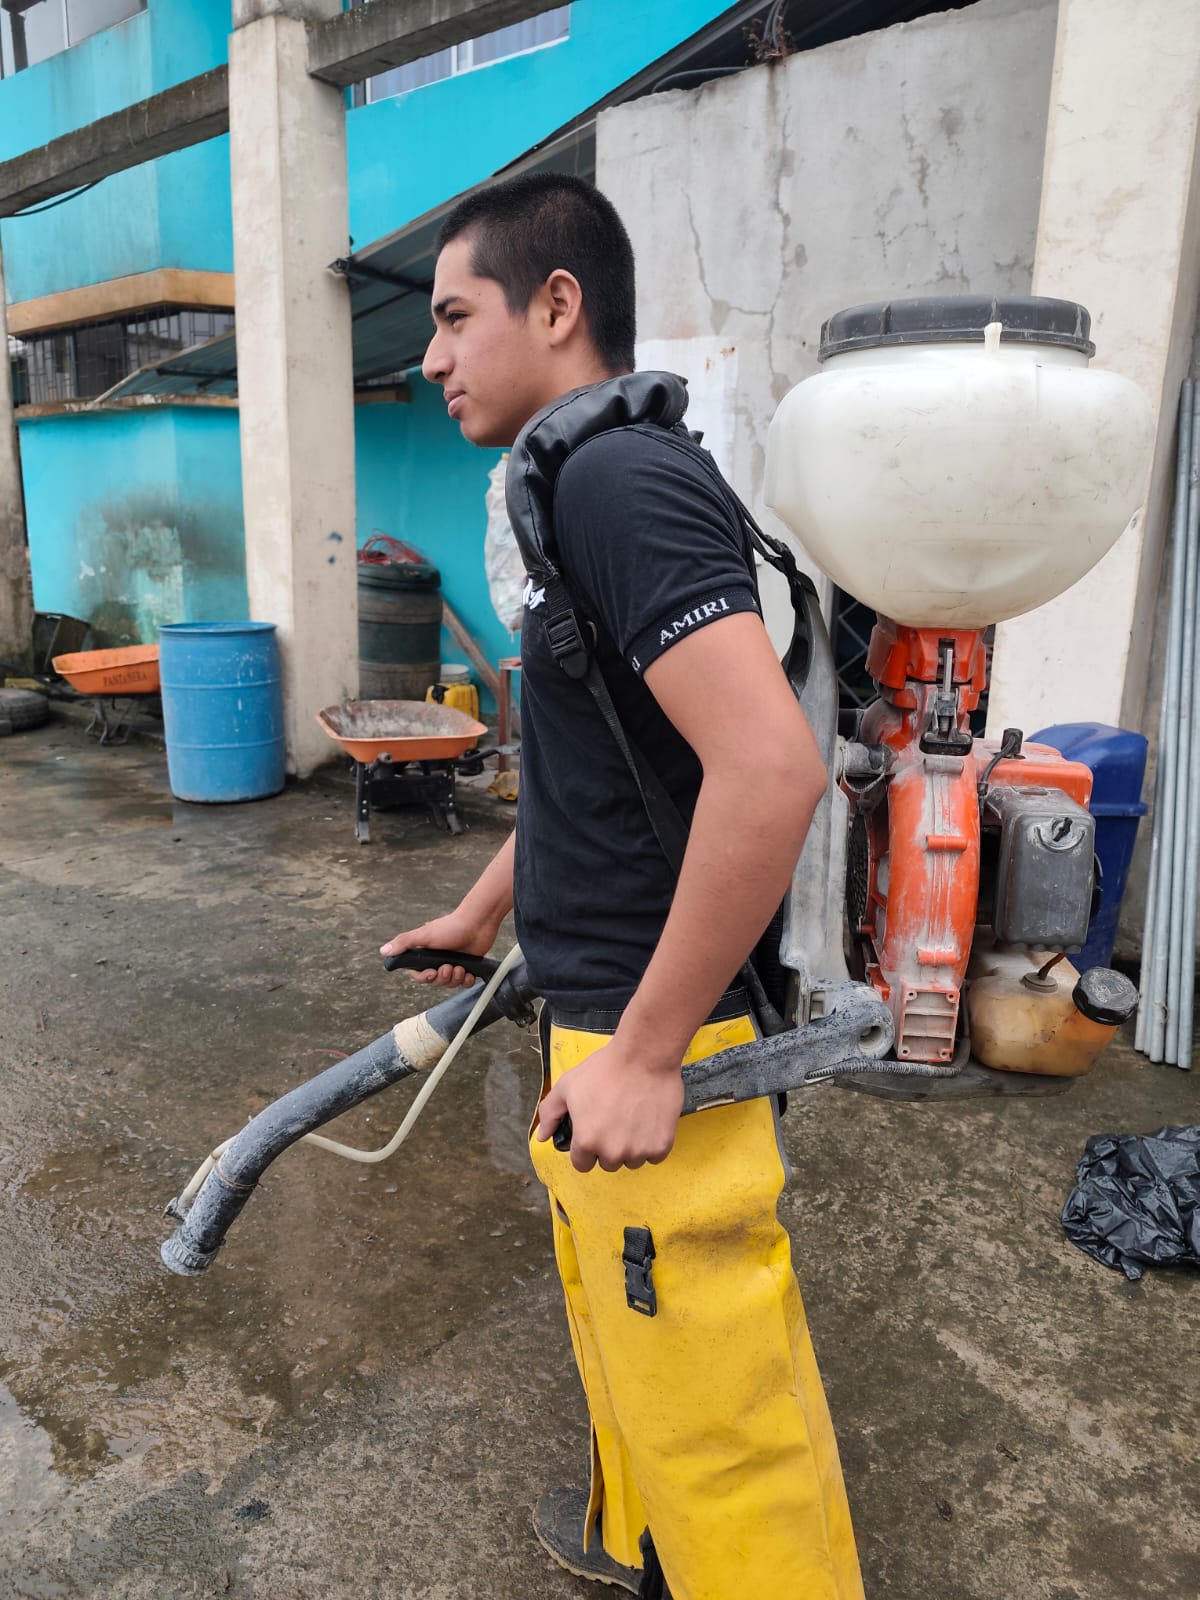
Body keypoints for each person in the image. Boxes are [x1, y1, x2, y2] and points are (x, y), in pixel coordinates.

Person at [381, 173, 863, 1600]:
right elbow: (605, 759)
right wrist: (483, 914)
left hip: (668, 1026)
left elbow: (767, 772)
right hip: (608, 1010)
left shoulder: (616, 482)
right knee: (642, 1360)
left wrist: (649, 1054)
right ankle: (642, 1551)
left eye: (454, 317)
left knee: (724, 1430)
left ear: (556, 306)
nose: (432, 356)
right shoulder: (574, 485)